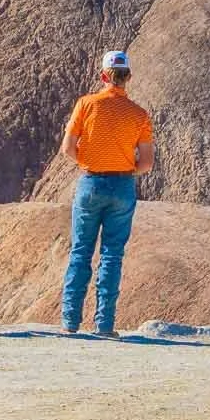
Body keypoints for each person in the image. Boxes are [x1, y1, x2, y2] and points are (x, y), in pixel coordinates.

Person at [60, 51, 156, 336]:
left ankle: (70, 322)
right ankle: (104, 324)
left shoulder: (86, 104)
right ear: (128, 77)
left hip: (91, 182)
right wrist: (125, 169)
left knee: (80, 252)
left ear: (103, 76)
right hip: (123, 186)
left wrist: (89, 161)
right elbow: (147, 163)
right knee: (112, 255)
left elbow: (67, 148)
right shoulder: (139, 114)